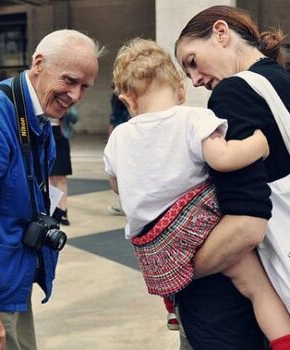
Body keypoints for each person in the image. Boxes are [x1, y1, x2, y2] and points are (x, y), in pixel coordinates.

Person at [104, 37, 290, 350]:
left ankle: (172, 306)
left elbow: (117, 185)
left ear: (128, 101)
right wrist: (260, 143)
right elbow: (224, 158)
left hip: (152, 248)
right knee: (256, 287)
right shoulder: (193, 118)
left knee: (172, 273)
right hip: (199, 232)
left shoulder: (119, 136)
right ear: (180, 89)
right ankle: (283, 340)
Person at [0, 29, 101, 350]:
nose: (75, 95)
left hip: (14, 275)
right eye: (69, 80)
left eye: (85, 86)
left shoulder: (35, 112)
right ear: (38, 63)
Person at [174, 5, 290, 349]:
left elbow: (247, 224)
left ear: (221, 33)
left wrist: (177, 271)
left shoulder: (234, 92)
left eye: (192, 61)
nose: (195, 80)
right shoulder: (281, 80)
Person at [49, 106, 79, 225]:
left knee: (62, 177)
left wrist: (67, 107)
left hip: (61, 135)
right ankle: (51, 209)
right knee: (49, 177)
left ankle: (63, 210)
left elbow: (74, 118)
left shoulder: (65, 98)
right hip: (46, 134)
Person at [107, 90, 130, 216]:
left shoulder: (118, 96)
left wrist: (111, 135)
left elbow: (114, 117)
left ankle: (124, 205)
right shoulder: (125, 95)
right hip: (126, 131)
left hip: (122, 131)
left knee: (121, 169)